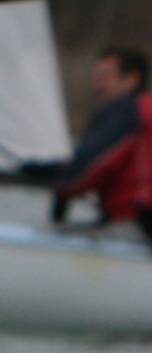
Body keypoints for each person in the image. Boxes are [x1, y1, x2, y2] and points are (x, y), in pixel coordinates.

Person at [38, 47, 150, 233]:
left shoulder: (125, 111)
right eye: (97, 77)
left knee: (52, 234)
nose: (97, 85)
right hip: (140, 225)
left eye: (105, 76)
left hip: (136, 223)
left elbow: (89, 163)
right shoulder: (145, 109)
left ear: (131, 79)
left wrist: (59, 181)